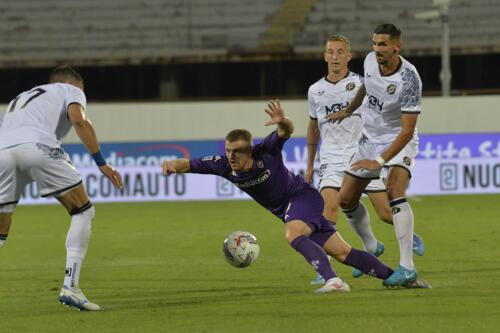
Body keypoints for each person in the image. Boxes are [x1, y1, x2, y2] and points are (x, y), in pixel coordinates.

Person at [162, 99, 425, 293]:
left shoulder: (266, 151)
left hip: (303, 198)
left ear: (249, 151)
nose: (231, 156)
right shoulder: (222, 165)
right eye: (228, 150)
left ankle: (333, 281)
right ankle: (400, 278)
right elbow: (188, 163)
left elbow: (285, 131)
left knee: (293, 234)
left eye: (237, 151)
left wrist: (283, 121)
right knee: (343, 252)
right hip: (293, 208)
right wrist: (171, 165)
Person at [0, 65, 124, 310]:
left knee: (1, 231)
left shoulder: (22, 97)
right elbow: (78, 119)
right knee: (83, 211)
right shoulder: (71, 89)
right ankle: (71, 287)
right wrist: (101, 163)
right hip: (36, 147)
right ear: (77, 85)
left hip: (2, 151)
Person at [306, 35, 424, 284]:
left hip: (360, 152)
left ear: (349, 56)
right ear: (325, 55)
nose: (335, 56)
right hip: (331, 157)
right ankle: (326, 268)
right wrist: (309, 165)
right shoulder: (315, 90)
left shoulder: (363, 80)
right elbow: (312, 127)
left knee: (384, 211)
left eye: (340, 52)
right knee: (330, 206)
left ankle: (393, 238)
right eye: (331, 52)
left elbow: (380, 111)